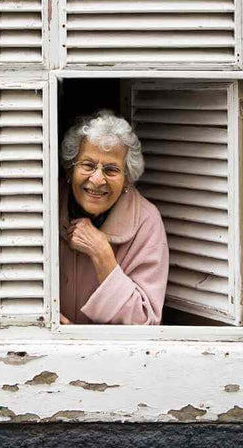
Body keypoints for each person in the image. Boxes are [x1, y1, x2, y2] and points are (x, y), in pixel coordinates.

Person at [59, 110, 169, 325]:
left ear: (127, 180)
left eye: (111, 170)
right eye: (88, 165)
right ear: (70, 170)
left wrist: (102, 254)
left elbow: (145, 323)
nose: (97, 179)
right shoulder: (41, 204)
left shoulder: (146, 222)